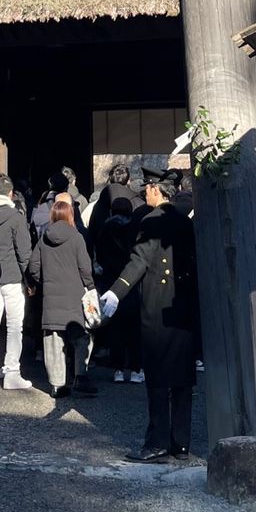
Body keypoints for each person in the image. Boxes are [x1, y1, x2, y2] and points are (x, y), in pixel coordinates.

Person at [100, 174, 199, 462]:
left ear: (156, 190)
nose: (145, 194)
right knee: (181, 379)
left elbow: (139, 261)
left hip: (157, 305)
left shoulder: (151, 220)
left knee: (157, 377)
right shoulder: (185, 221)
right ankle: (181, 443)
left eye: (147, 189)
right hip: (183, 308)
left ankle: (156, 442)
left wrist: (116, 292)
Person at [26, 199, 95, 399]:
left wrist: (43, 281)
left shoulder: (43, 239)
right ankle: (80, 375)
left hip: (51, 298)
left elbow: (33, 267)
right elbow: (85, 268)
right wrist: (89, 285)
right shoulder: (77, 237)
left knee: (53, 340)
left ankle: (57, 385)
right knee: (81, 337)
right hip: (74, 296)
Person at [0, 174, 33, 390]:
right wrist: (29, 279)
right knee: (14, 326)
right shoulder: (16, 217)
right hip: (11, 277)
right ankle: (11, 372)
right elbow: (24, 252)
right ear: (10, 193)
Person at [95, 198, 144, 383]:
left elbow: (99, 253)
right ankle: (136, 368)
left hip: (110, 279)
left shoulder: (105, 229)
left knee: (115, 327)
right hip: (131, 281)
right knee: (134, 327)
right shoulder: (134, 229)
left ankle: (117, 369)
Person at [87, 162, 144, 248]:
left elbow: (92, 230)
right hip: (131, 256)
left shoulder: (99, 204)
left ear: (110, 180)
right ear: (129, 181)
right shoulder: (139, 204)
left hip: (103, 256)